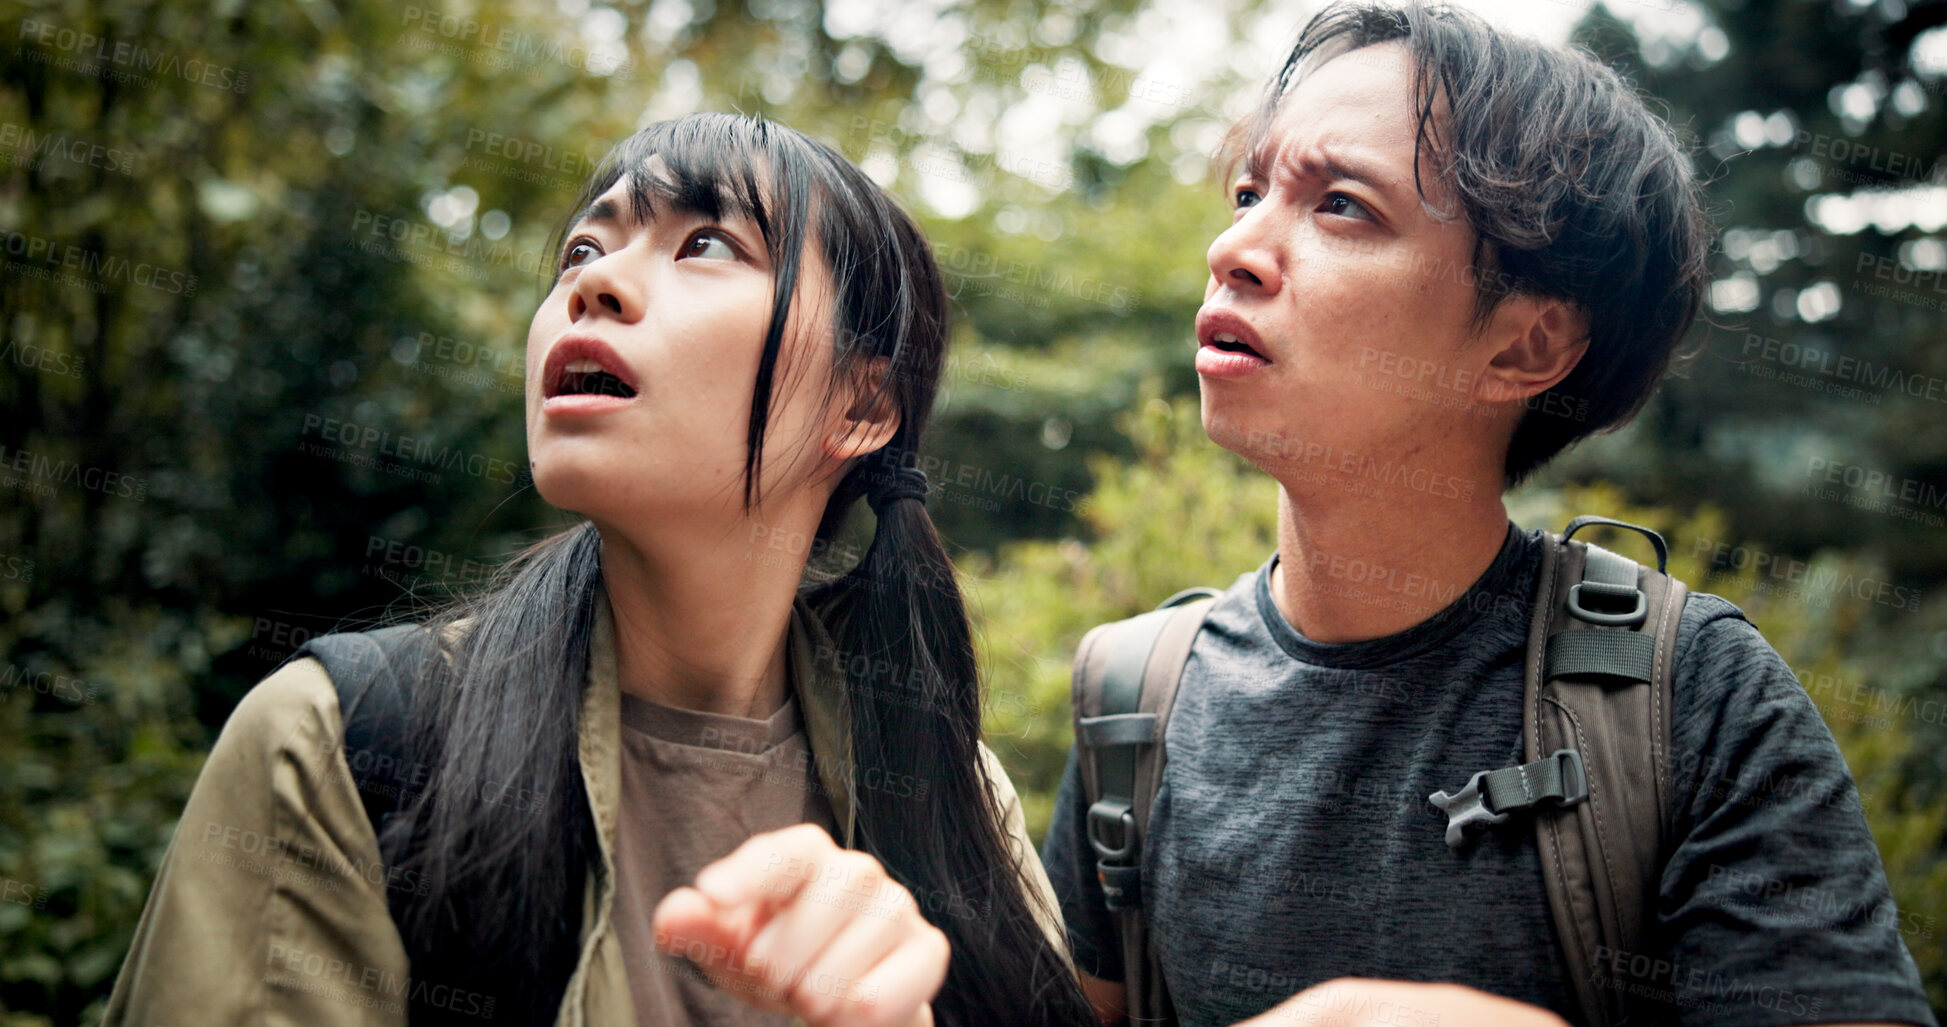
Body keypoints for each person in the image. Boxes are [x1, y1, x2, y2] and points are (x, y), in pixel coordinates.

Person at [1039, 4, 1937, 1026]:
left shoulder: (1690, 700)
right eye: (1250, 191)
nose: (1234, 246)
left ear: (1525, 348)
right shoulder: (1135, 699)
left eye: (1340, 206)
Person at [104, 112, 1096, 1027]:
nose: (595, 281)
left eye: (707, 243)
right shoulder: (345, 746)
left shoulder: (954, 794)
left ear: (860, 409)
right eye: (585, 246)